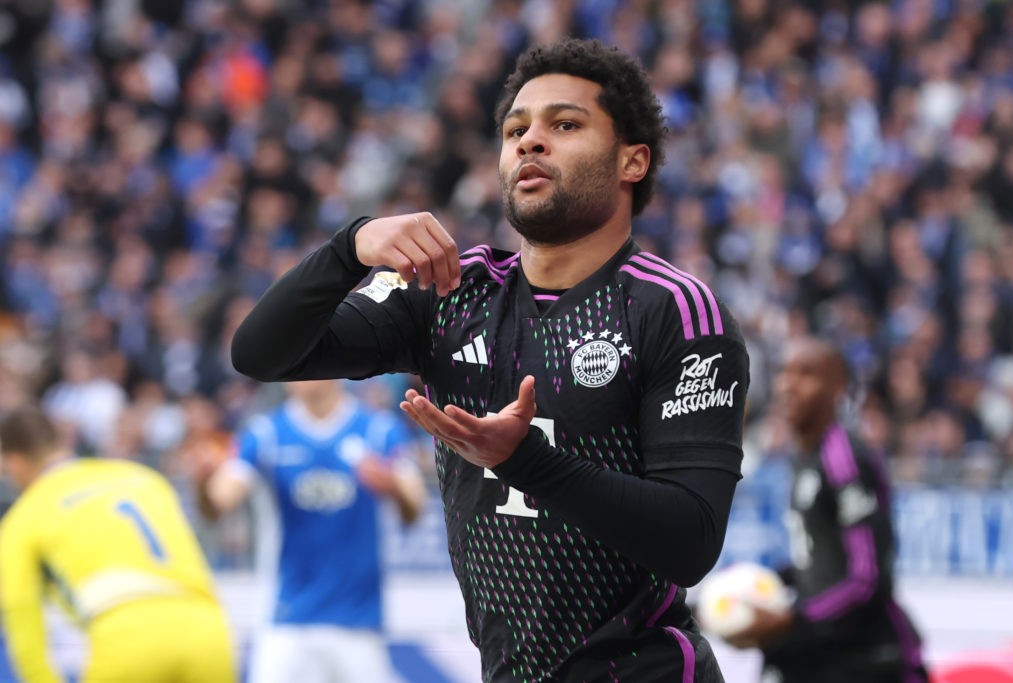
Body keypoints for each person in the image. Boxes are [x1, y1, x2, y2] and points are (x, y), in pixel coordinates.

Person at [231, 38, 750, 682]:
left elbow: (691, 542)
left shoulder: (675, 310)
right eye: (515, 130)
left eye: (564, 125)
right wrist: (350, 247)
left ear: (632, 161)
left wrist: (522, 459)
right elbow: (261, 353)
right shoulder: (451, 293)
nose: (530, 142)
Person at [726, 336, 929, 683]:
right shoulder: (803, 456)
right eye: (784, 373)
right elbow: (820, 557)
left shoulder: (845, 457)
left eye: (806, 374)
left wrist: (793, 620)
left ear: (838, 387)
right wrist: (756, 587)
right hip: (819, 647)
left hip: (867, 657)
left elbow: (865, 578)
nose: (788, 385)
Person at [197, 378, 426, 683]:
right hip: (287, 620)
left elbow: (415, 507)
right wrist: (202, 480)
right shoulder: (265, 433)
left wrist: (393, 488)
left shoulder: (378, 430)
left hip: (357, 622)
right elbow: (219, 502)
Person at [0, 405, 236, 683]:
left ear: (13, 461)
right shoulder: (143, 477)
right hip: (207, 629)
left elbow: (24, 627)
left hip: (127, 634)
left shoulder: (23, 518)